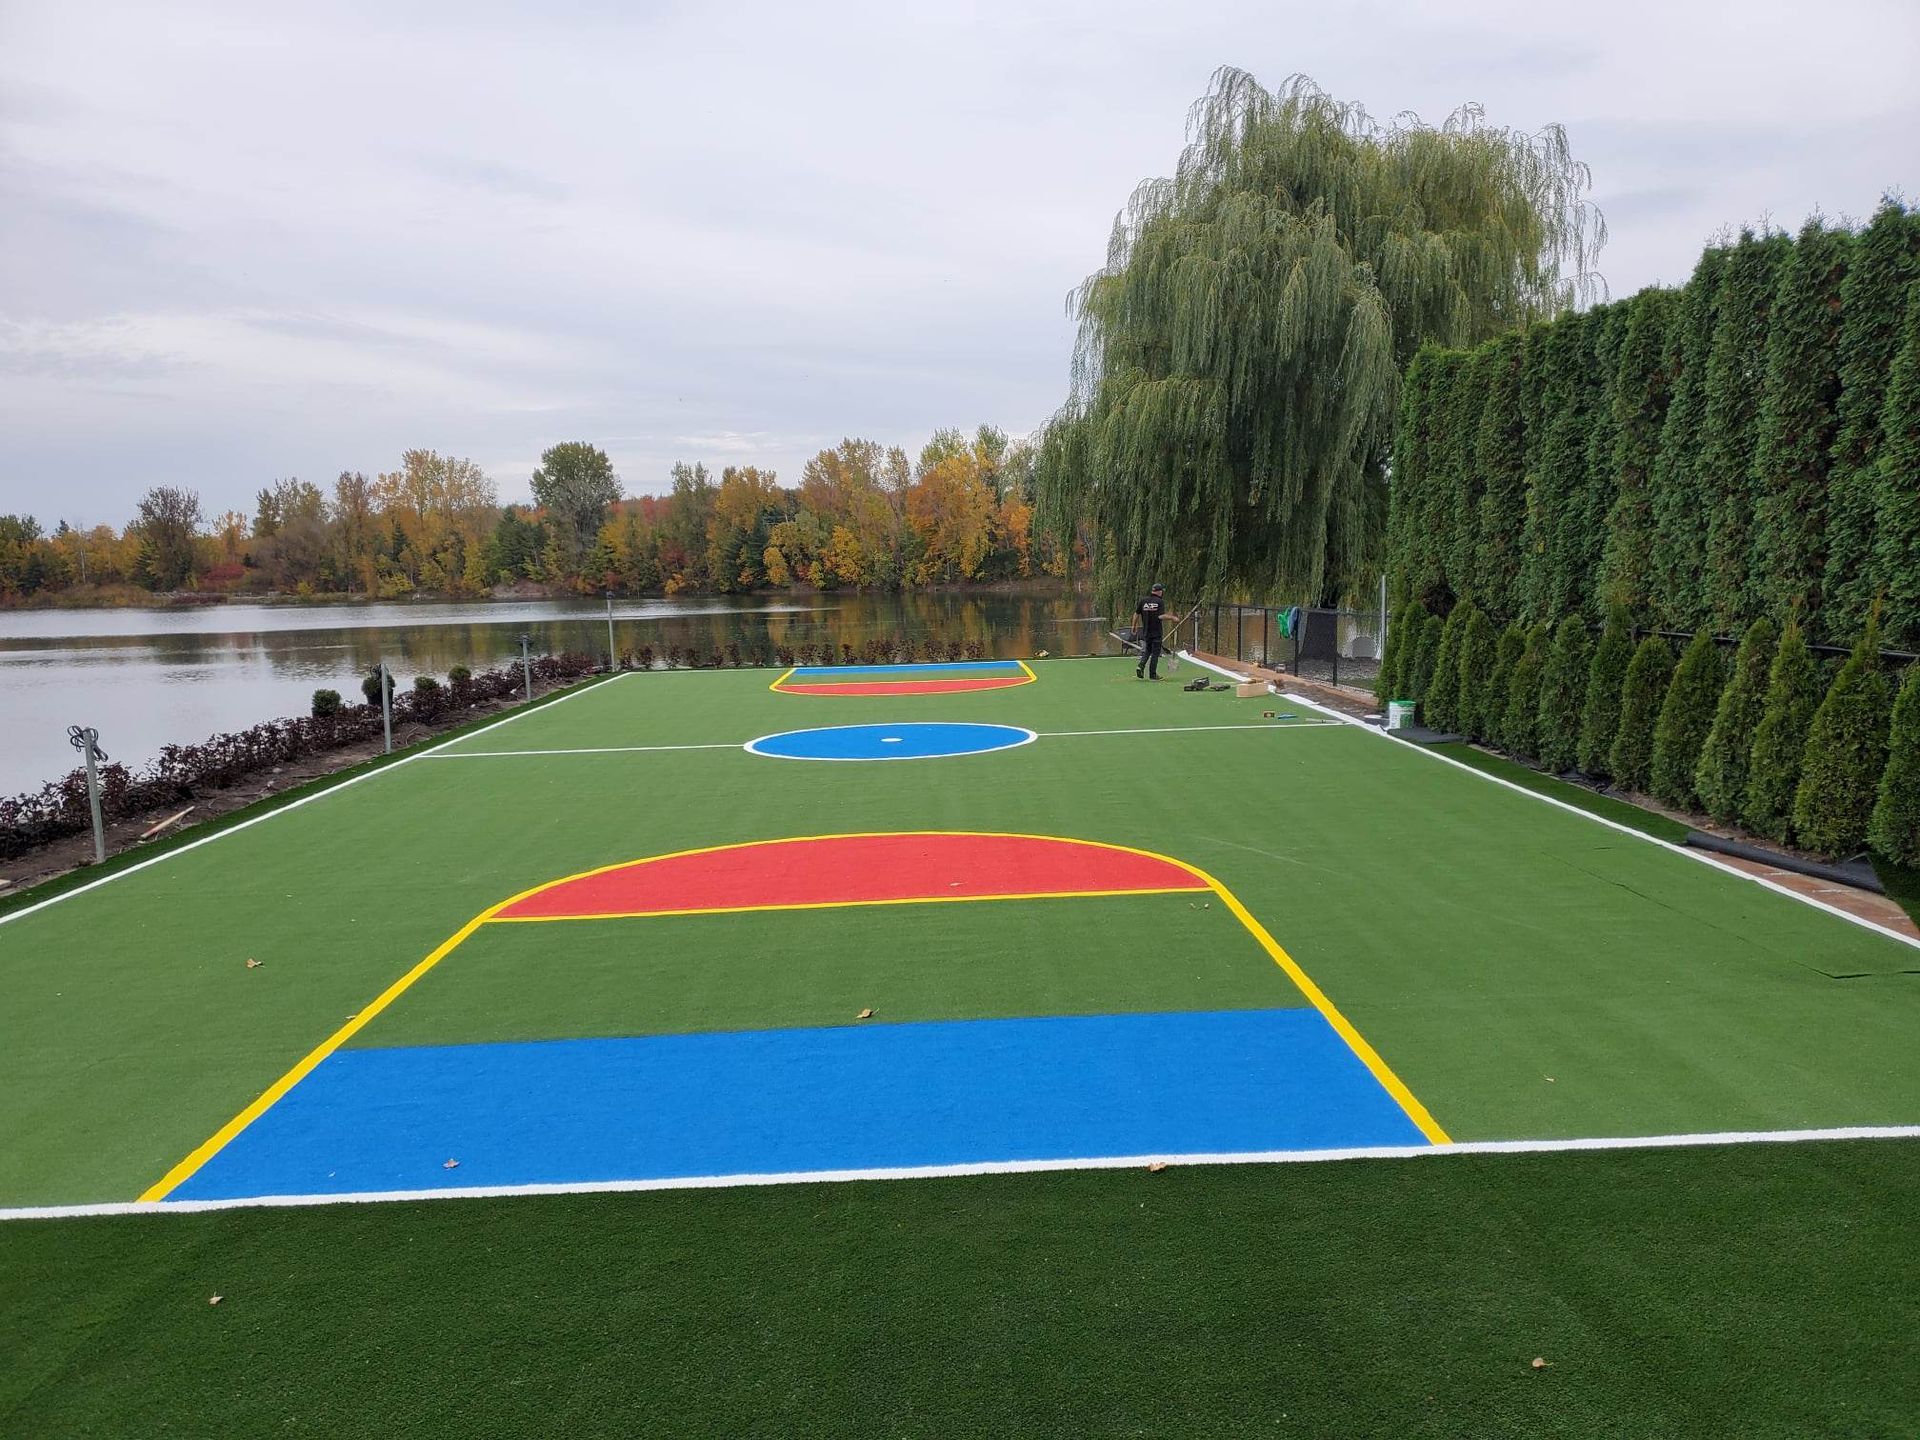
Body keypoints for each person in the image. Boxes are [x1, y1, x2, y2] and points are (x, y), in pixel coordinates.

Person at [1134, 582, 1169, 679]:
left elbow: (1136, 614)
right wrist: (1172, 618)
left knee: (1148, 650)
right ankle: (1152, 674)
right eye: (1162, 591)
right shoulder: (1159, 602)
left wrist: (1134, 626)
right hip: (1156, 632)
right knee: (1155, 653)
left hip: (1146, 632)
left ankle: (1140, 666)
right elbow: (1161, 616)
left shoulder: (1143, 601)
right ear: (1159, 591)